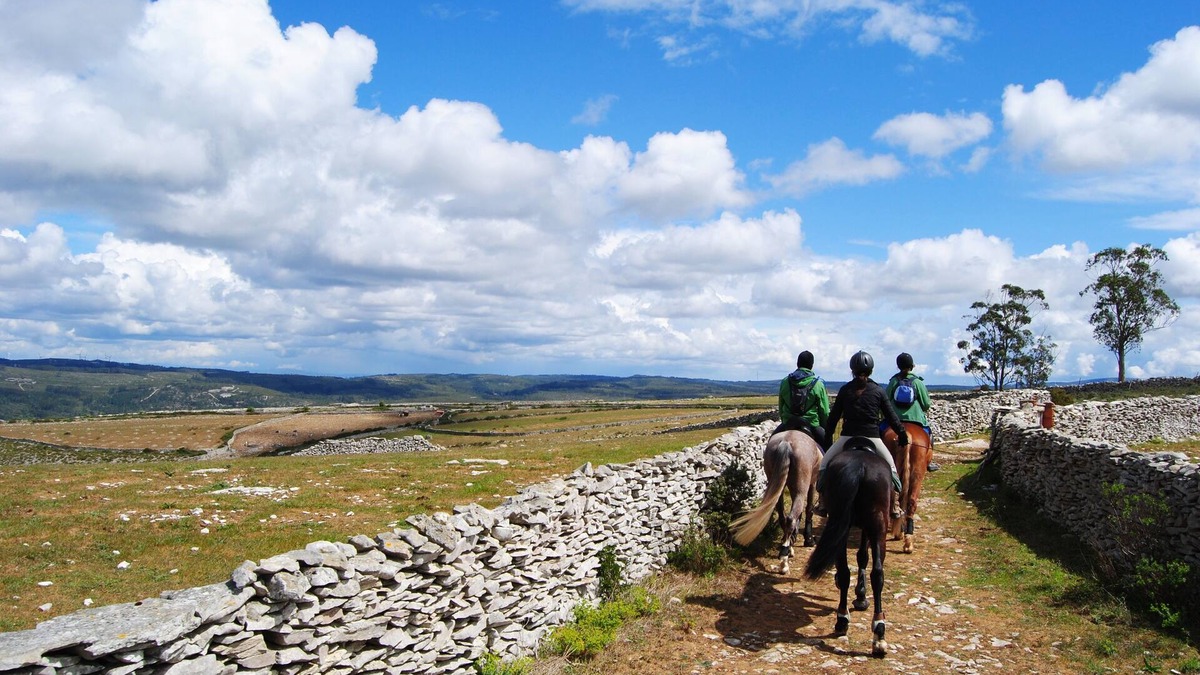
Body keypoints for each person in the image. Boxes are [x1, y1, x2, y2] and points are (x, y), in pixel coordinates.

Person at [816, 350, 906, 519]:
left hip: (847, 437)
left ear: (852, 370)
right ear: (871, 370)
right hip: (873, 437)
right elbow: (891, 416)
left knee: (824, 466)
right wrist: (902, 434)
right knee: (892, 471)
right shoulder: (878, 391)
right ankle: (894, 505)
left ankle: (821, 502)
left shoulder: (845, 390)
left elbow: (834, 417)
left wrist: (828, 438)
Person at [885, 352, 939, 471]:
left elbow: (885, 401)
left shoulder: (893, 381)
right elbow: (926, 404)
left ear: (898, 366)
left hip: (894, 420)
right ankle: (929, 461)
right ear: (912, 366)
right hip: (916, 419)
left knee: (880, 432)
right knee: (928, 435)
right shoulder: (918, 382)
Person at [772, 350, 830, 445]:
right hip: (811, 424)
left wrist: (785, 421)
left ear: (797, 364)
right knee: (828, 447)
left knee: (771, 444)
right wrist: (824, 427)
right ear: (811, 365)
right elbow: (824, 411)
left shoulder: (785, 381)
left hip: (789, 423)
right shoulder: (818, 384)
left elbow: (781, 406)